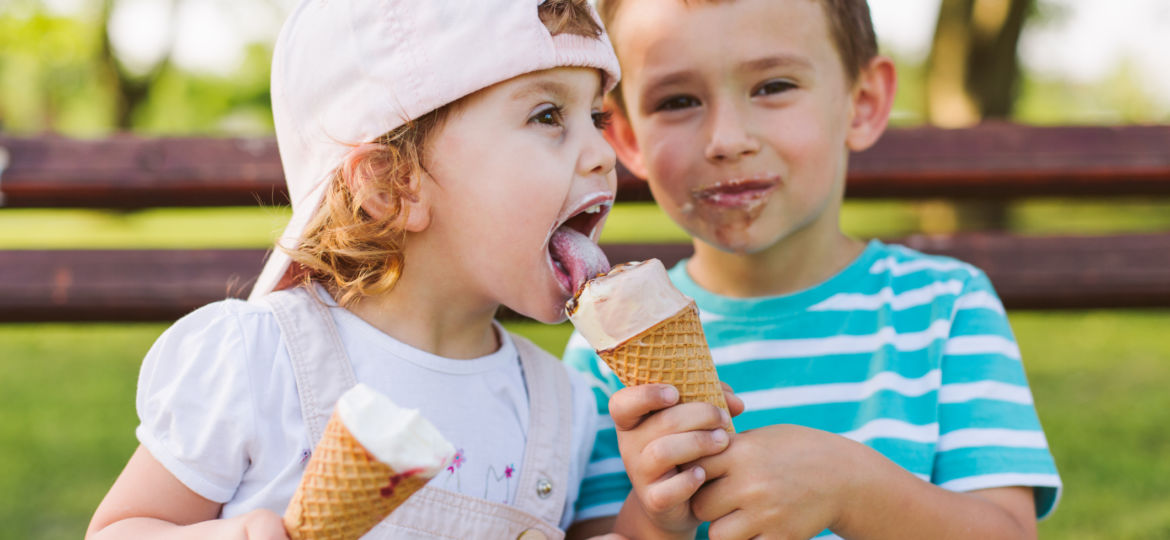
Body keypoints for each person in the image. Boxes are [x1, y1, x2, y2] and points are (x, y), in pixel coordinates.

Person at [86, 1, 724, 538]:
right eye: (548, 116)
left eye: (597, 117)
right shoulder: (260, 362)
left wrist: (654, 517)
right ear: (395, 187)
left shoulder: (559, 403)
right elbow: (120, 527)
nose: (601, 154)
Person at [562, 0, 1063, 538]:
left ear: (863, 103)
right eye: (677, 100)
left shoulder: (946, 308)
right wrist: (656, 521)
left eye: (773, 86)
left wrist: (853, 489)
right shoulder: (607, 354)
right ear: (628, 138)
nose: (727, 140)